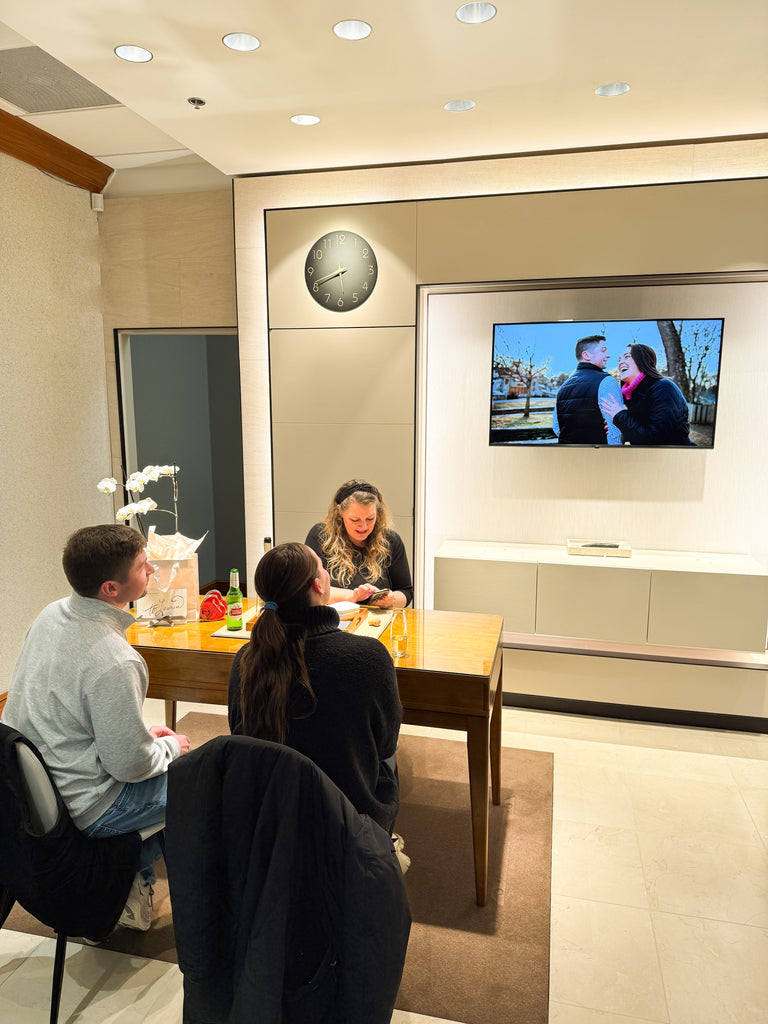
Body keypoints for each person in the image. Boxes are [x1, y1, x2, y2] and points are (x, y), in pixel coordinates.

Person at [3, 524, 190, 931]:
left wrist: (144, 738)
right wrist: (173, 747)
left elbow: (79, 714)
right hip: (87, 806)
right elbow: (130, 768)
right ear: (110, 588)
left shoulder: (52, 613)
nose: (153, 570)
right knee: (203, 781)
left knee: (162, 751)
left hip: (34, 791)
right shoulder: (115, 660)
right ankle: (199, 912)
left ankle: (132, 884)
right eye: (144, 566)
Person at [227, 542, 402, 835]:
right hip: (349, 825)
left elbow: (239, 735)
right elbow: (386, 743)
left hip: (267, 820)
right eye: (323, 566)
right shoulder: (369, 656)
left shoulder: (246, 659)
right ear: (318, 586)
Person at [305, 480, 413, 608]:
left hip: (379, 620)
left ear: (378, 513)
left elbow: (406, 592)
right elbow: (311, 588)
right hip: (333, 620)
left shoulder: (391, 540)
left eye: (370, 519)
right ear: (340, 512)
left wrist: (391, 599)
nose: (363, 526)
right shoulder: (320, 536)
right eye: (355, 520)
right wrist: (352, 597)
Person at [599, 344, 694, 446]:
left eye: (627, 357)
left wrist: (620, 416)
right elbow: (638, 432)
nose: (620, 363)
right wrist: (619, 428)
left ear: (643, 360)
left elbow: (658, 439)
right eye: (619, 360)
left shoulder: (664, 388)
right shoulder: (628, 396)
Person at [553, 335, 623, 445]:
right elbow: (615, 432)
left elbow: (557, 428)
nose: (608, 355)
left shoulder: (563, 387)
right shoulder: (607, 382)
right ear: (586, 355)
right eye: (603, 350)